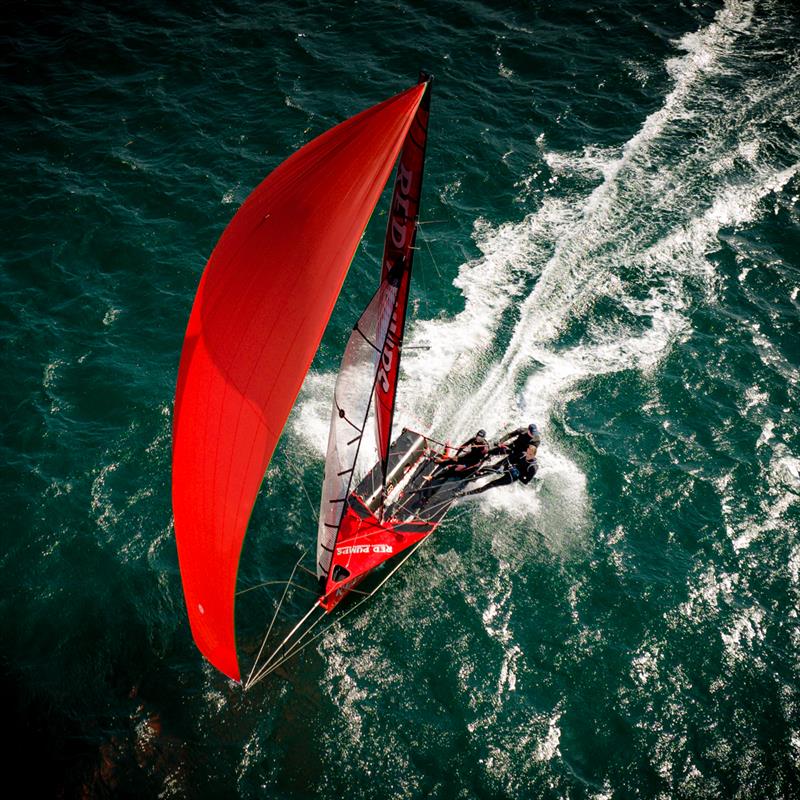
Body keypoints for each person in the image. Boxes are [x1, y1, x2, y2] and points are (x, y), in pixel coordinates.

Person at [459, 443, 538, 496]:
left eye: (530, 454)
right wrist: (503, 465)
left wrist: (516, 473)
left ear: (534, 455)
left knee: (491, 484)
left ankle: (465, 494)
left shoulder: (533, 468)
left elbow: (526, 481)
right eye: (527, 452)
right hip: (508, 468)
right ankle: (471, 479)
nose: (527, 455)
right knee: (484, 468)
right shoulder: (523, 454)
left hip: (512, 477)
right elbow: (511, 457)